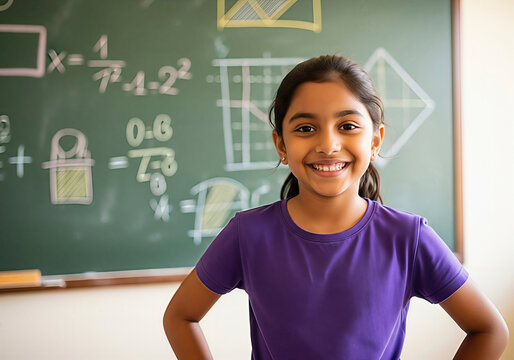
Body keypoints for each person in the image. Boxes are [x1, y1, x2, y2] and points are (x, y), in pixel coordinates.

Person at [163, 55, 509, 359]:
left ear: (375, 140)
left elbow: (490, 330)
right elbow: (180, 316)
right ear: (280, 144)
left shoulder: (408, 237)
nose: (328, 144)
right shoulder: (249, 234)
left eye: (347, 126)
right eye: (306, 128)